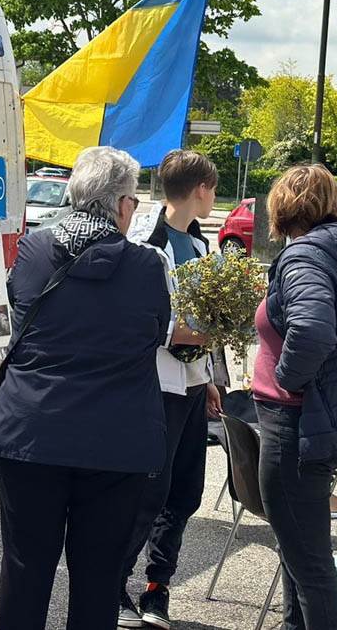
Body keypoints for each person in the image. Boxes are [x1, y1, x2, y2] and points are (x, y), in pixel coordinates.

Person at [0, 146, 170, 630]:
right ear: (124, 205)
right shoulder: (147, 267)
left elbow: (19, 309)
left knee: (25, 569)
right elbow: (153, 334)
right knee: (98, 576)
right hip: (114, 442)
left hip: (31, 433)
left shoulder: (33, 250)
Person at [254, 164, 337, 630]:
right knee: (301, 553)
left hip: (294, 420)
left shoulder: (303, 258)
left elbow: (312, 331)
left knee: (310, 565)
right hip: (323, 419)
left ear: (284, 207)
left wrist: (288, 378)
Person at [120, 150, 230, 629]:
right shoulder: (147, 243)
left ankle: (157, 587)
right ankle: (113, 584)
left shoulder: (204, 246)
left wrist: (208, 379)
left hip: (191, 386)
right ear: (201, 188)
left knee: (184, 491)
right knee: (149, 490)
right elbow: (136, 319)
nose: (213, 195)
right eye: (213, 187)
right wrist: (174, 336)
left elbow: (207, 320)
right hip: (156, 386)